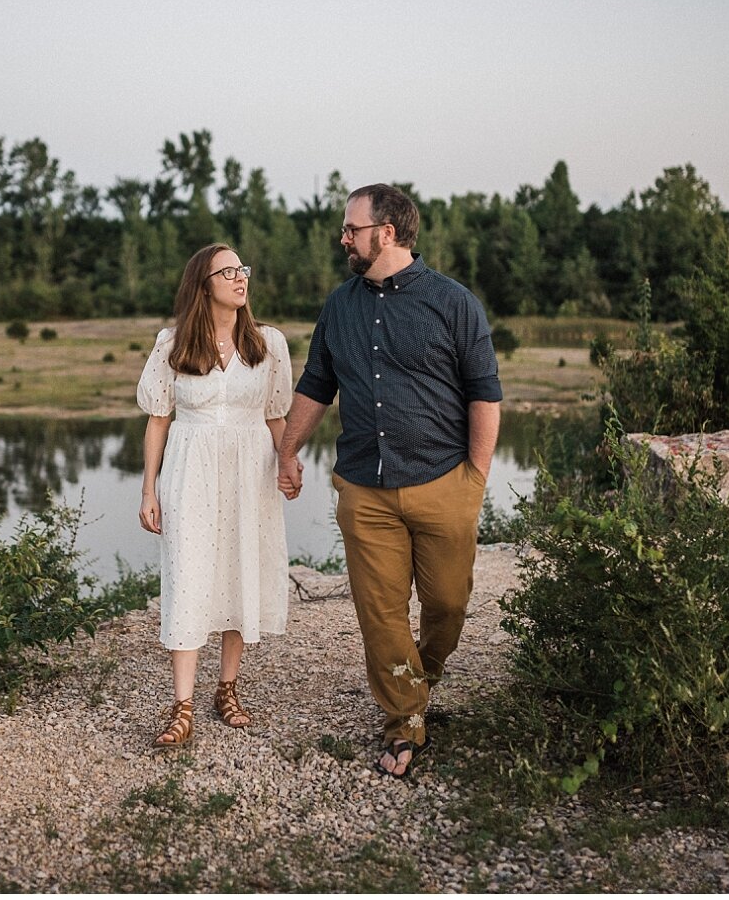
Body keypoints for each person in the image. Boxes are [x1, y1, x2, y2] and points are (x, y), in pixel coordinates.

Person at [276, 183, 501, 778]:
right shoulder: (340, 304)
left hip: (444, 481)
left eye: (352, 229)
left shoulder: (454, 304)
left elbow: (485, 395)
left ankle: (421, 675)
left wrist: (475, 479)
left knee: (448, 605)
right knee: (380, 614)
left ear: (389, 233)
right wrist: (287, 451)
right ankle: (405, 720)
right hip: (364, 489)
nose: (343, 238)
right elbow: (316, 384)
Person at [137, 243, 294, 748]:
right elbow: (158, 418)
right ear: (203, 286)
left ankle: (227, 688)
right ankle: (181, 705)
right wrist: (148, 488)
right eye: (226, 272)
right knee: (189, 573)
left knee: (238, 570)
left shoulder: (267, 343)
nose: (239, 278)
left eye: (242, 269)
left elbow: (276, 414)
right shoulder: (174, 342)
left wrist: (287, 460)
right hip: (191, 469)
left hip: (251, 469)